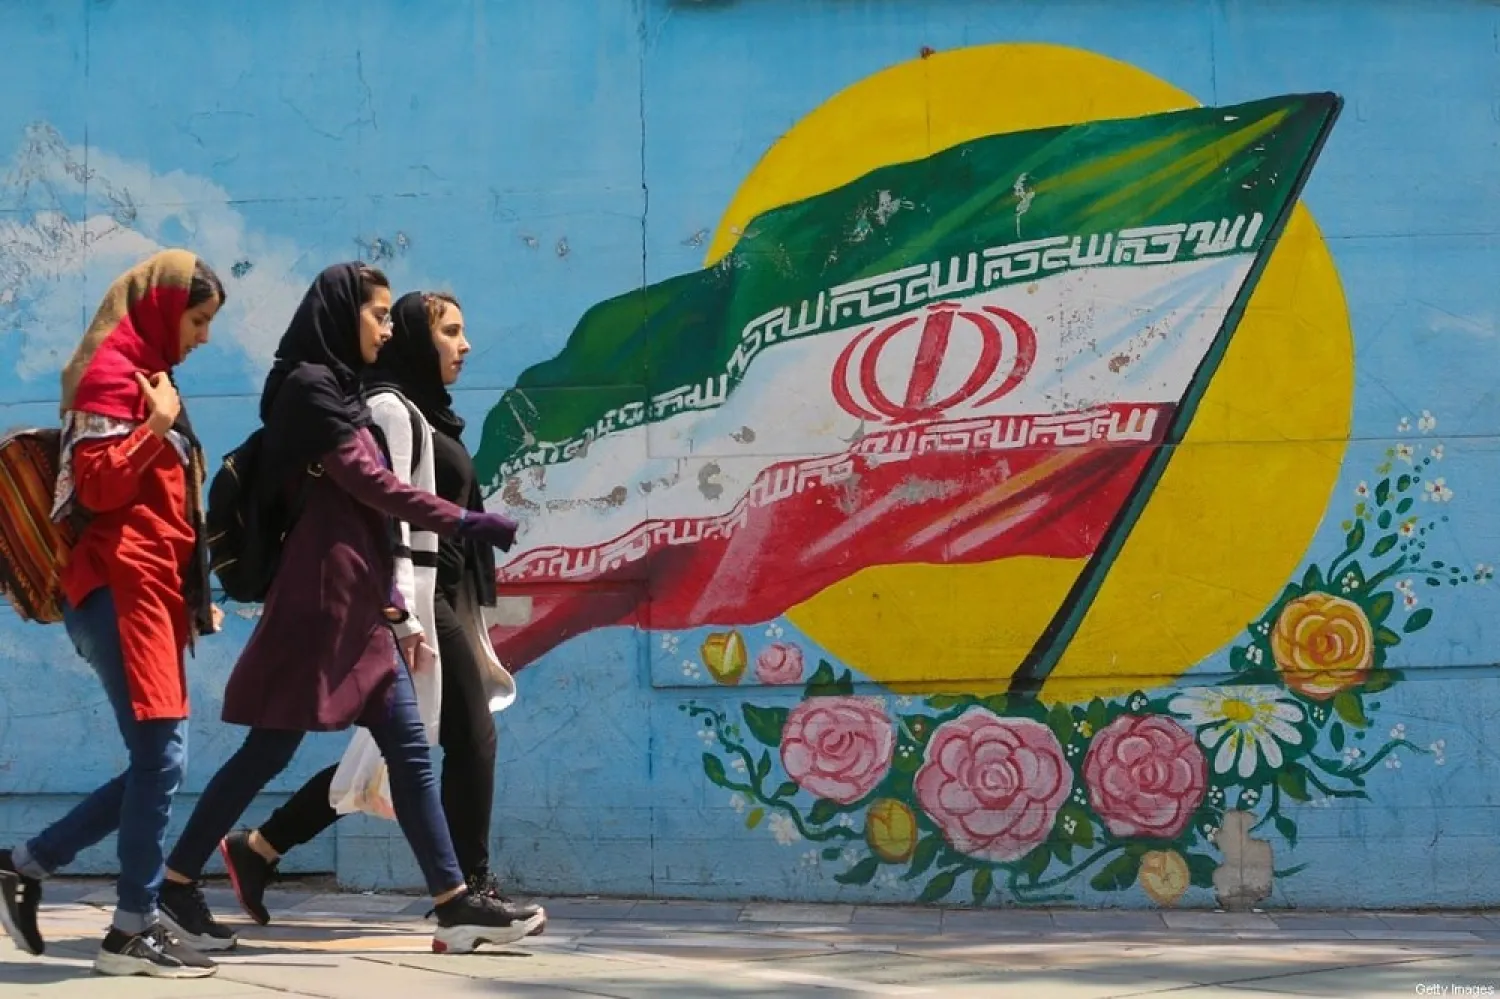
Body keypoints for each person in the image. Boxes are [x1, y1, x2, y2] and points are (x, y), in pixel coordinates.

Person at [152, 262, 543, 956]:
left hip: (359, 601)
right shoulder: (309, 389)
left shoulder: (337, 389)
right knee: (267, 751)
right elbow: (371, 485)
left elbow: (365, 515)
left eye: (391, 316)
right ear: (340, 313)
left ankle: (455, 904)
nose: (387, 329)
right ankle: (175, 884)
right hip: (319, 602)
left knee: (409, 752)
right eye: (378, 314)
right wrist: (465, 521)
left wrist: (394, 603)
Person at [0, 250, 226, 979]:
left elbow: (172, 509)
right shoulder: (109, 377)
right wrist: (154, 425)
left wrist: (196, 599)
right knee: (162, 758)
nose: (203, 336)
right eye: (197, 320)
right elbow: (97, 489)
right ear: (163, 308)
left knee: (159, 760)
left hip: (151, 591)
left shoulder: (152, 377)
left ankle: (29, 864)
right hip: (119, 585)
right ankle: (130, 925)